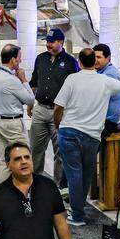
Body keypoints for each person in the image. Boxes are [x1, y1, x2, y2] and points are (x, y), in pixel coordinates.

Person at [53, 48, 120, 226]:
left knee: (74, 173)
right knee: (86, 174)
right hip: (92, 136)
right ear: (94, 62)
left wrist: (59, 126)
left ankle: (77, 215)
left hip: (69, 132)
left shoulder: (72, 79)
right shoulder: (106, 81)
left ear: (79, 62)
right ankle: (79, 211)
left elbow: (58, 107)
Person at [29, 28, 79, 184]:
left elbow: (76, 88)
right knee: (36, 149)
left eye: (51, 42)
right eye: (47, 42)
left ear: (61, 42)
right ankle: (35, 183)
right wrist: (31, 103)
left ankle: (58, 186)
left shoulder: (71, 62)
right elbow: (34, 82)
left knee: (61, 152)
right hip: (40, 109)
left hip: (60, 113)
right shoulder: (40, 59)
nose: (48, 45)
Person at [0, 44, 34, 182]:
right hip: (12, 124)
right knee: (23, 158)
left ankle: (1, 192)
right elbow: (30, 99)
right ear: (13, 60)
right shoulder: (12, 80)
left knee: (5, 159)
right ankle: (23, 193)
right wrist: (24, 80)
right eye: (19, 58)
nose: (20, 61)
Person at [92, 43, 120, 147]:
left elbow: (96, 98)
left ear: (108, 58)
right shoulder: (101, 72)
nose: (95, 60)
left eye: (99, 57)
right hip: (102, 121)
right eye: (94, 57)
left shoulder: (109, 74)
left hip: (107, 123)